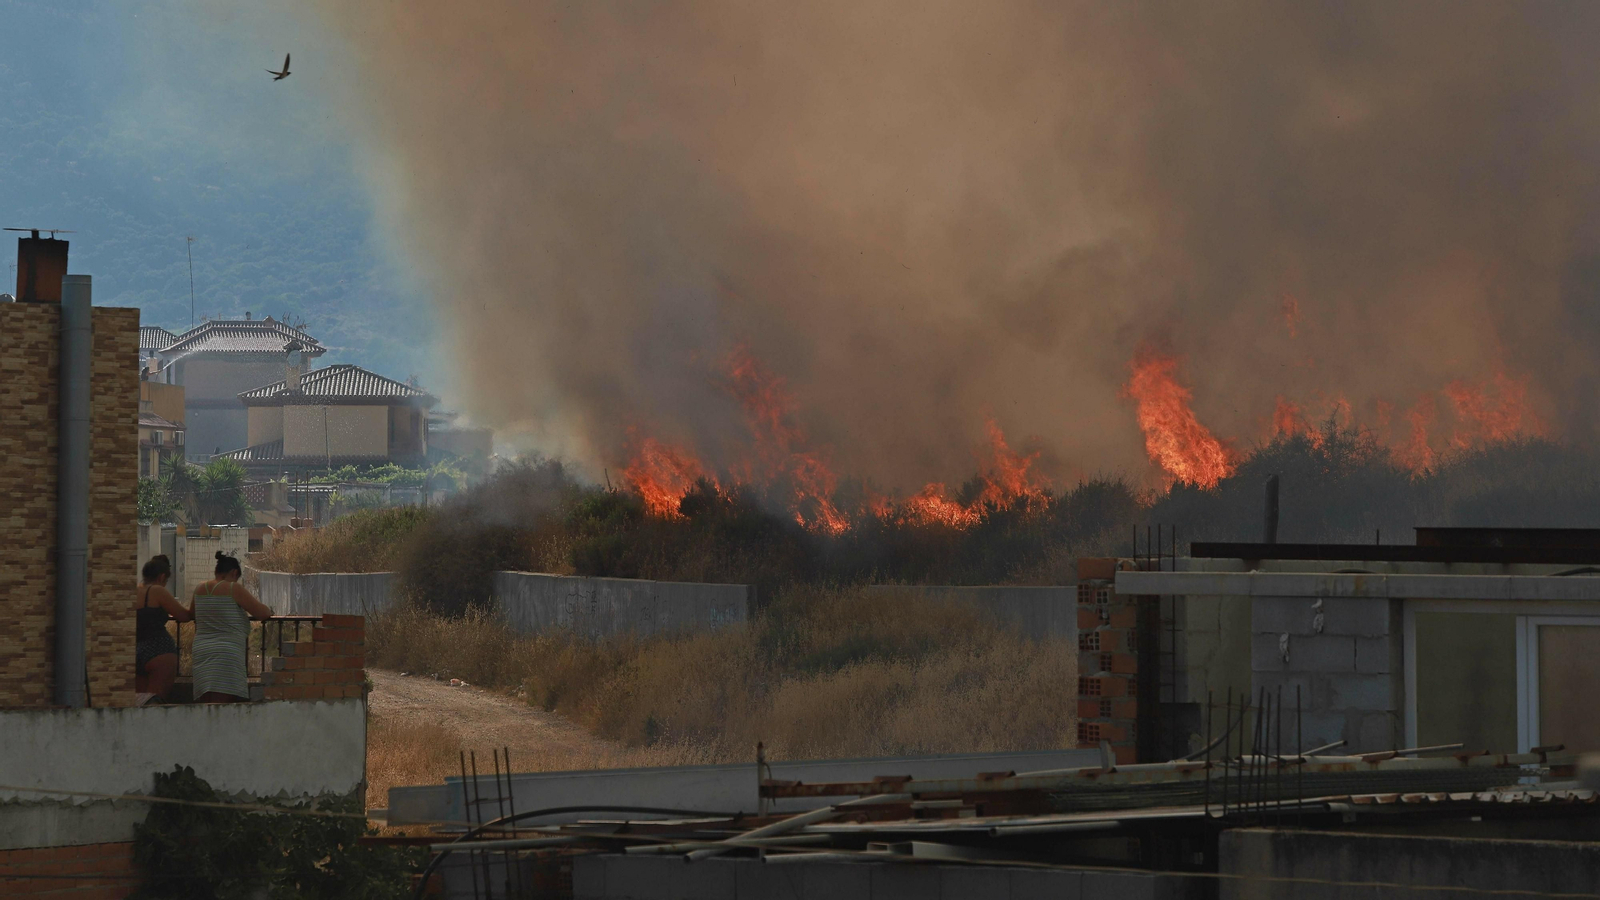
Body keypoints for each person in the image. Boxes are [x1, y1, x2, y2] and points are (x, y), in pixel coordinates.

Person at [189, 551, 274, 703]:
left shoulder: (200, 589)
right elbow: (262, 613)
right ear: (234, 573)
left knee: (205, 704)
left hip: (201, 652)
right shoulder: (233, 589)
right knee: (226, 706)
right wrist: (270, 610)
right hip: (227, 654)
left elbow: (192, 614)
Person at [134, 554, 192, 706]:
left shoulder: (134, 591)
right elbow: (183, 616)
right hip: (159, 650)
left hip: (135, 649)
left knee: (137, 703)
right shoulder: (157, 591)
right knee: (155, 703)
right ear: (161, 577)